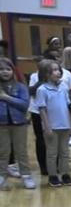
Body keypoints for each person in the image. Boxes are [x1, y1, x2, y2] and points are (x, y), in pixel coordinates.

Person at [34, 59, 71, 187]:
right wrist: (47, 127)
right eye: (54, 70)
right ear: (46, 74)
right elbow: (42, 109)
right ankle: (53, 176)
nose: (57, 73)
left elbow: (68, 107)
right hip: (52, 126)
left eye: (58, 70)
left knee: (64, 152)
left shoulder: (63, 87)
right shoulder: (42, 89)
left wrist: (70, 124)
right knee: (52, 153)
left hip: (65, 125)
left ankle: (65, 174)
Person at [0, 57, 35, 190]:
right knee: (3, 151)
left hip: (19, 123)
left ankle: (26, 175)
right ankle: (2, 175)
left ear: (13, 71)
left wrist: (6, 98)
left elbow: (24, 104)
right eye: (1, 69)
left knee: (21, 151)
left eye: (8, 69)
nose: (5, 72)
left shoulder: (20, 87)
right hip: (2, 124)